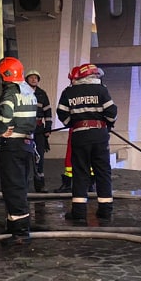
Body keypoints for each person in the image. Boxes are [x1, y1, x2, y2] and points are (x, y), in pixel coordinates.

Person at [56, 63, 117, 222]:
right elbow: (111, 112)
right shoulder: (101, 90)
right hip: (99, 135)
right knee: (103, 172)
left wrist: (73, 123)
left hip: (79, 135)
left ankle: (79, 212)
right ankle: (105, 210)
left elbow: (61, 112)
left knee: (80, 172)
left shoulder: (69, 92)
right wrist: (107, 125)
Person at [0, 56, 37, 246]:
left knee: (13, 187)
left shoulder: (10, 93)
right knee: (20, 186)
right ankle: (13, 225)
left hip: (13, 145)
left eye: (1, 75)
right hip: (26, 144)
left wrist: (0, 132)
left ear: (6, 75)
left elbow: (6, 114)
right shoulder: (28, 91)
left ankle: (20, 233)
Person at [54, 65, 98, 193]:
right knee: (75, 156)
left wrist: (70, 123)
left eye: (73, 79)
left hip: (79, 128)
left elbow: (62, 111)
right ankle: (80, 183)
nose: (72, 82)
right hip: (85, 129)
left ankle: (83, 184)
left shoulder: (72, 91)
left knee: (82, 156)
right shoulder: (95, 90)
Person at [24, 69, 52, 193]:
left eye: (36, 77)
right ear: (27, 80)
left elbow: (48, 112)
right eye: (31, 77)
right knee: (24, 156)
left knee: (39, 156)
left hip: (39, 130)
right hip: (25, 129)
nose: (34, 79)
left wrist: (48, 128)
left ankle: (40, 185)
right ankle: (24, 185)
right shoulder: (22, 93)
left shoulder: (42, 94)